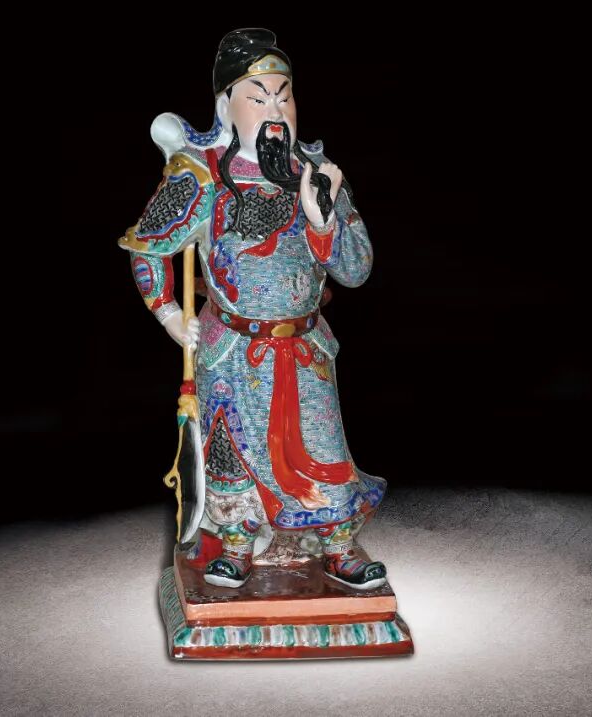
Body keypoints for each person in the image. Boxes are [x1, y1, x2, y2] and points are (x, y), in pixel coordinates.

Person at [119, 28, 387, 590]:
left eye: (284, 97)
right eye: (258, 97)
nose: (275, 111)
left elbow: (357, 269)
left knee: (321, 445)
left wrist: (322, 221)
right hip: (232, 347)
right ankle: (237, 544)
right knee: (231, 448)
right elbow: (148, 248)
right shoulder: (201, 175)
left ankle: (338, 543)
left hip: (304, 344)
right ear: (226, 106)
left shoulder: (319, 171)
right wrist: (169, 314)